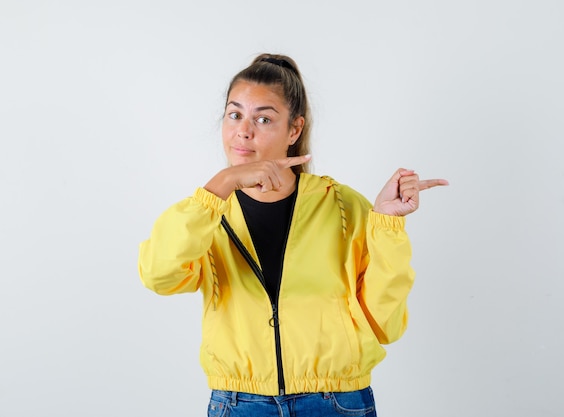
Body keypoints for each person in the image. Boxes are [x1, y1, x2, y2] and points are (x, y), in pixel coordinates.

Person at [138, 53, 448, 417]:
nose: (244, 130)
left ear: (295, 130)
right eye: (234, 114)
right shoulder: (206, 212)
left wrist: (386, 225)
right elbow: (159, 276)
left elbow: (385, 325)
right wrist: (220, 185)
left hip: (336, 402)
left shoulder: (344, 207)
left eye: (264, 118)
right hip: (239, 404)